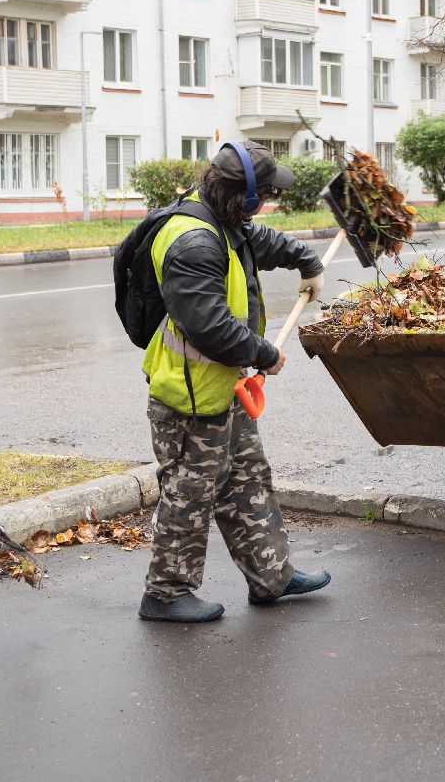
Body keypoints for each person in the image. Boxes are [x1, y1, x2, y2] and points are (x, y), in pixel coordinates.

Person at [138, 141, 331, 623]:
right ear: (242, 197)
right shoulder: (193, 241)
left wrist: (308, 261)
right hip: (190, 396)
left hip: (224, 387)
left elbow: (260, 240)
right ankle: (164, 594)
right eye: (263, 194)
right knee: (189, 493)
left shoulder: (222, 223)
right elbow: (207, 324)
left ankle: (272, 576)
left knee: (247, 479)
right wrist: (264, 353)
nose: (264, 204)